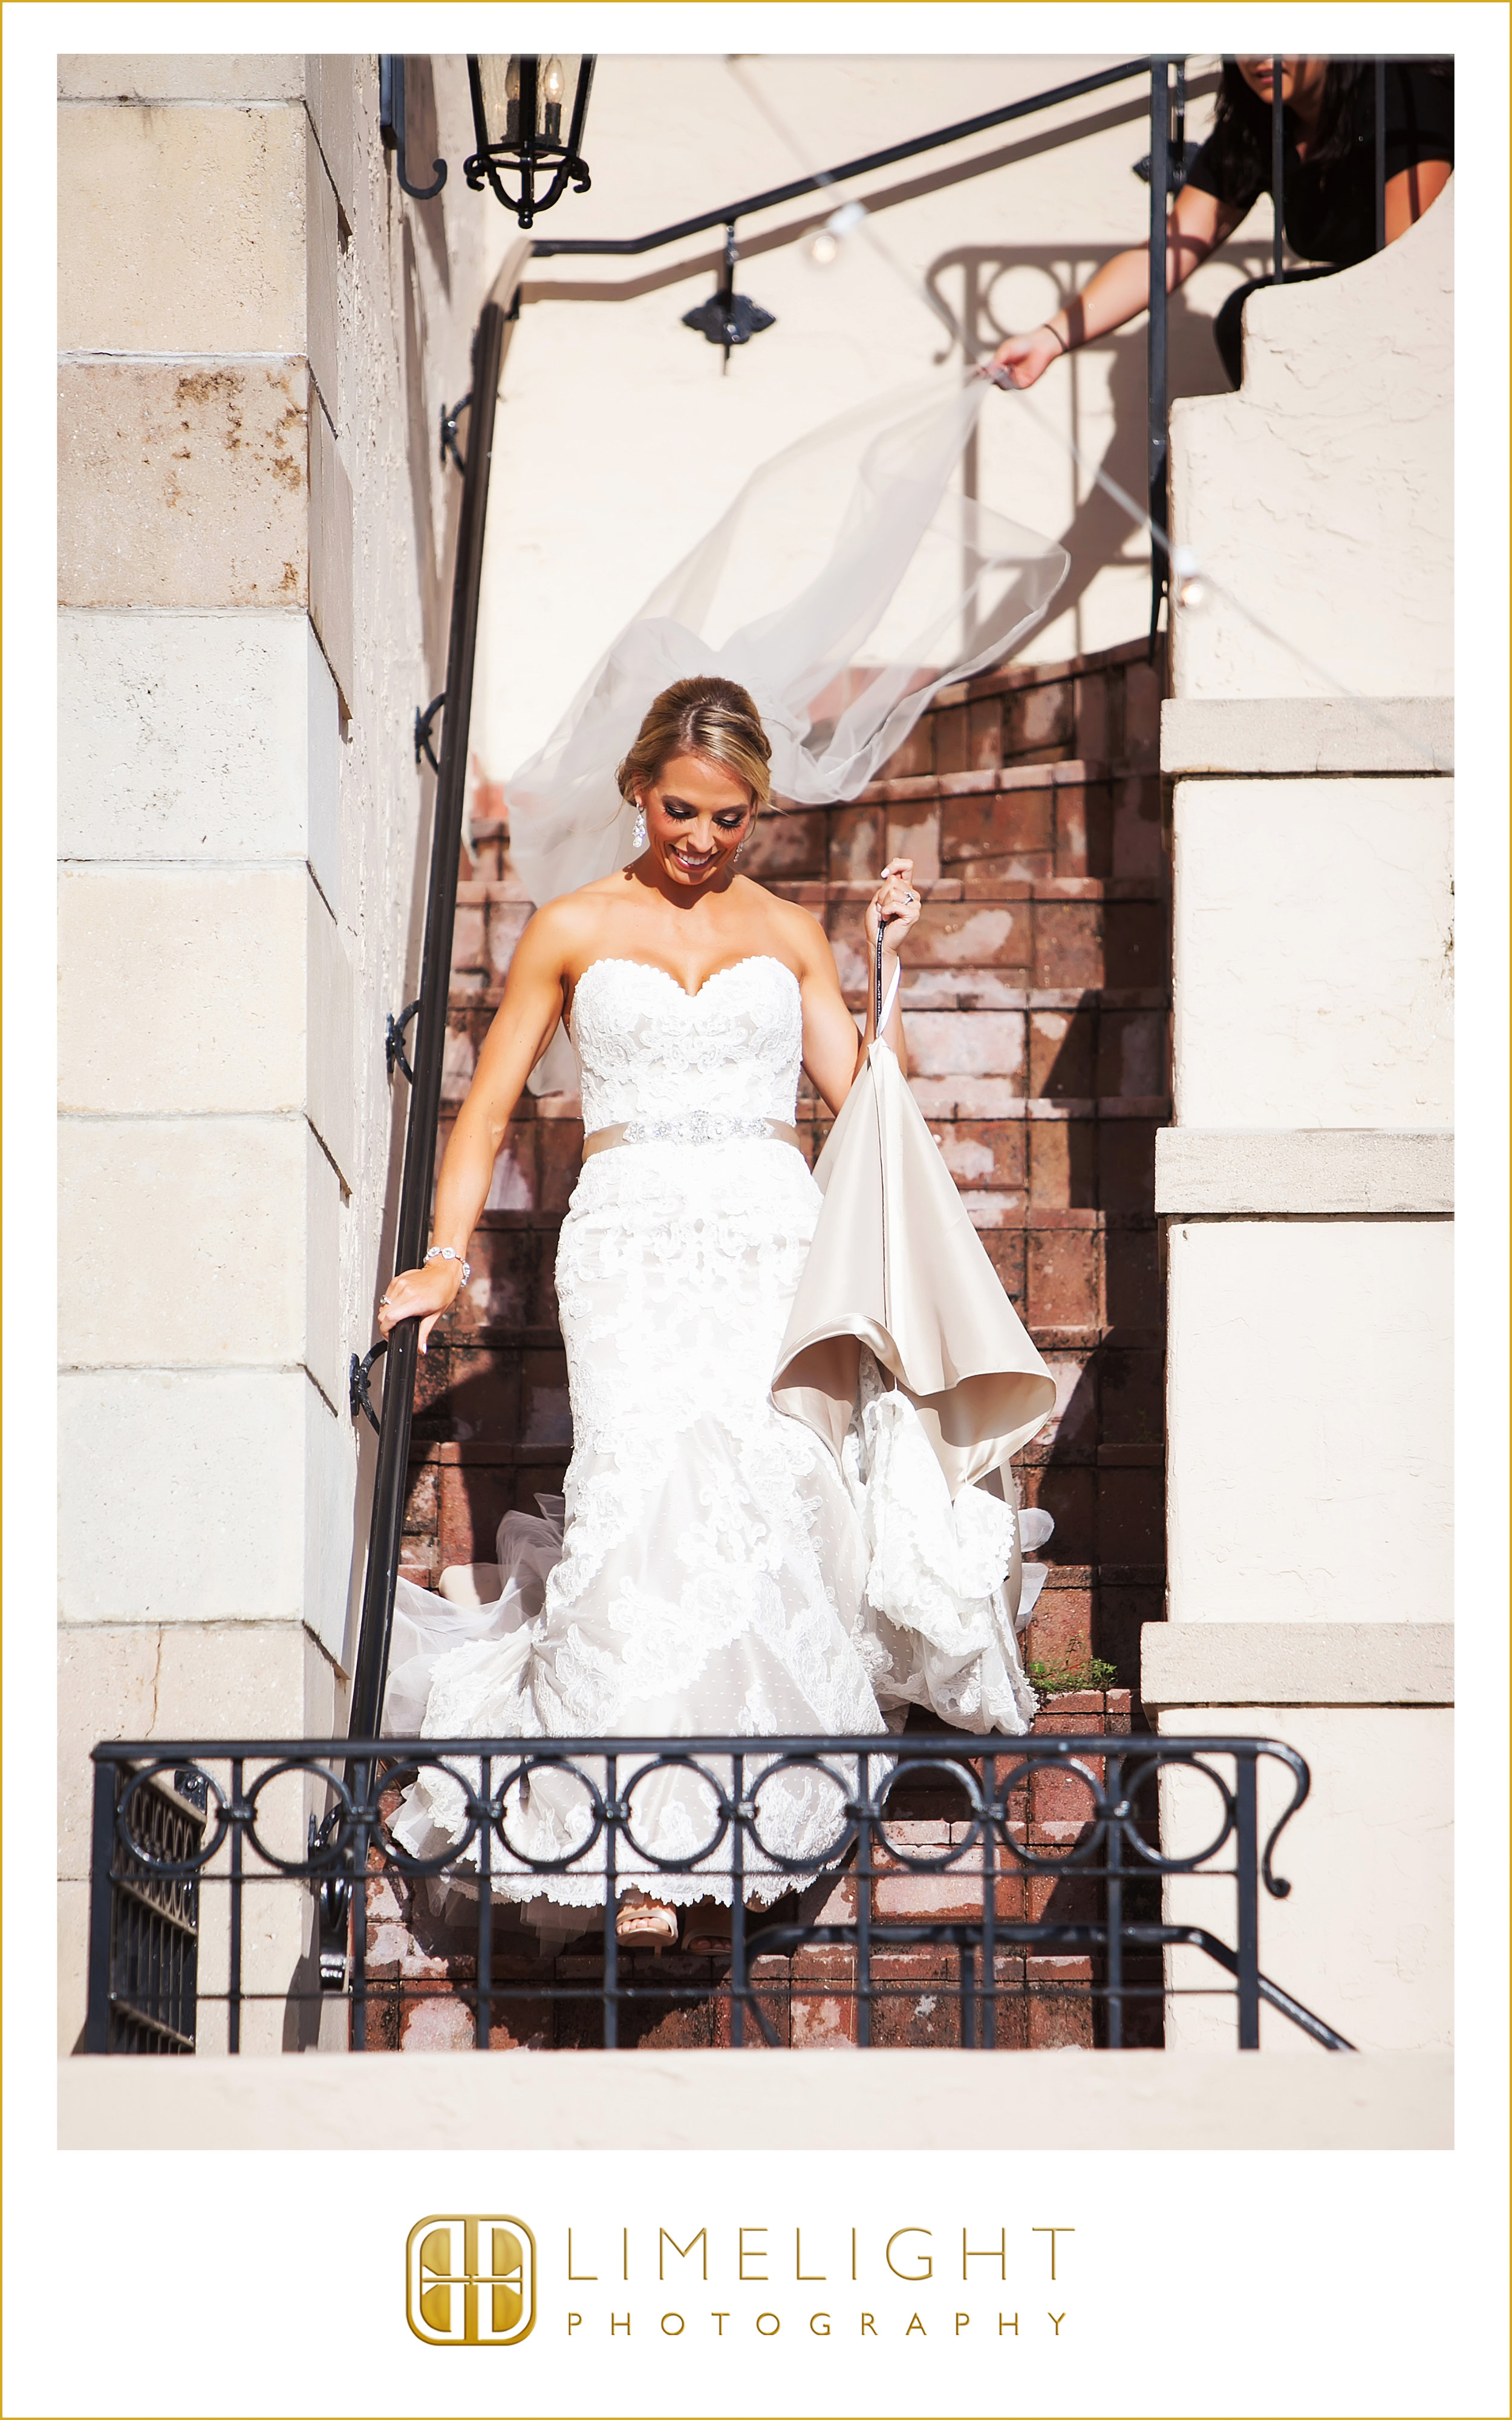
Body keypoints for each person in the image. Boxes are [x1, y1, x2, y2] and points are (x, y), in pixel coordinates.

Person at [376, 675, 1048, 1954]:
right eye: (681, 808)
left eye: (729, 818)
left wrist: (887, 969)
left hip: (766, 1233)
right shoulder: (570, 925)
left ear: (760, 811)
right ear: (638, 788)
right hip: (627, 1237)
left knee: (760, 1502)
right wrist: (445, 1261)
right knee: (636, 1497)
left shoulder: (792, 933)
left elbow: (862, 1114)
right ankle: (625, 1832)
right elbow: (486, 1107)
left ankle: (724, 1836)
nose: (700, 837)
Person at [992, 56, 1453, 393]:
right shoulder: (1257, 128)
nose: (1257, 56)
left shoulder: (1402, 90)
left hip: (1441, 317)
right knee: (1251, 315)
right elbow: (1169, 251)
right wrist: (1049, 339)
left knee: (1265, 315)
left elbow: (1408, 270)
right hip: (1378, 314)